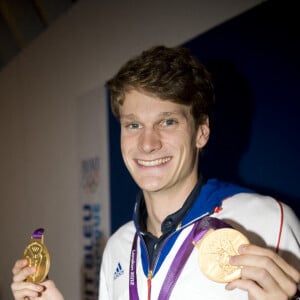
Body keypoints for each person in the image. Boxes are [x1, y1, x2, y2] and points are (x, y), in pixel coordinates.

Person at [11, 45, 299, 299]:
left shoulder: (267, 222)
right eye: (133, 125)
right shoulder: (118, 247)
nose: (148, 144)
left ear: (201, 132)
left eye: (168, 122)